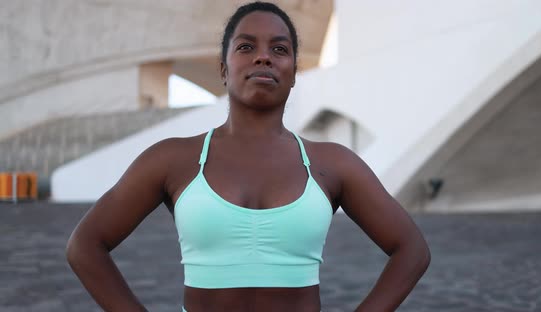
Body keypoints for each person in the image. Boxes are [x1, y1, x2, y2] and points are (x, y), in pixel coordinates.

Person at [65, 2, 431, 311]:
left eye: (279, 49)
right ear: (224, 70)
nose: (263, 57)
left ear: (293, 75)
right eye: (245, 47)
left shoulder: (332, 164)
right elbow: (85, 245)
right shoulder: (173, 159)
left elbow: (412, 250)